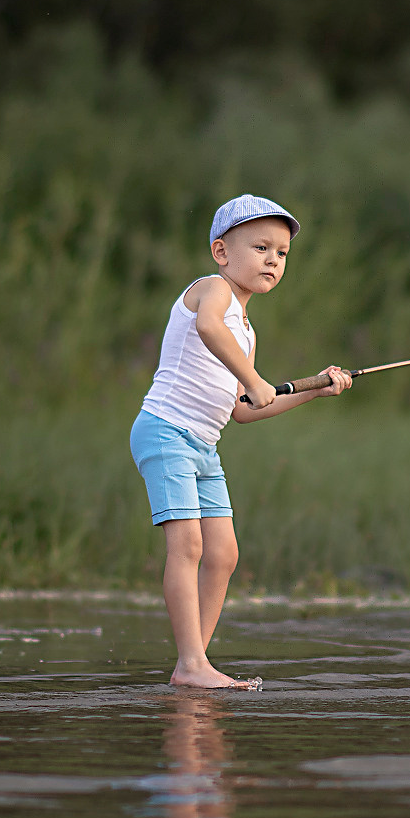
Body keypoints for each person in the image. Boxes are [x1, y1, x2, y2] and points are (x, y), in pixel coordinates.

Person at [131, 195, 352, 689]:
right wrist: (253, 378)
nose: (273, 259)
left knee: (224, 553)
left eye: (282, 253)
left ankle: (194, 663)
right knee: (186, 545)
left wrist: (315, 387)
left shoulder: (247, 334)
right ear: (221, 252)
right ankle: (191, 665)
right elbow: (208, 329)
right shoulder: (213, 292)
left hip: (205, 446)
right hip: (165, 429)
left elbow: (246, 410)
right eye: (261, 247)